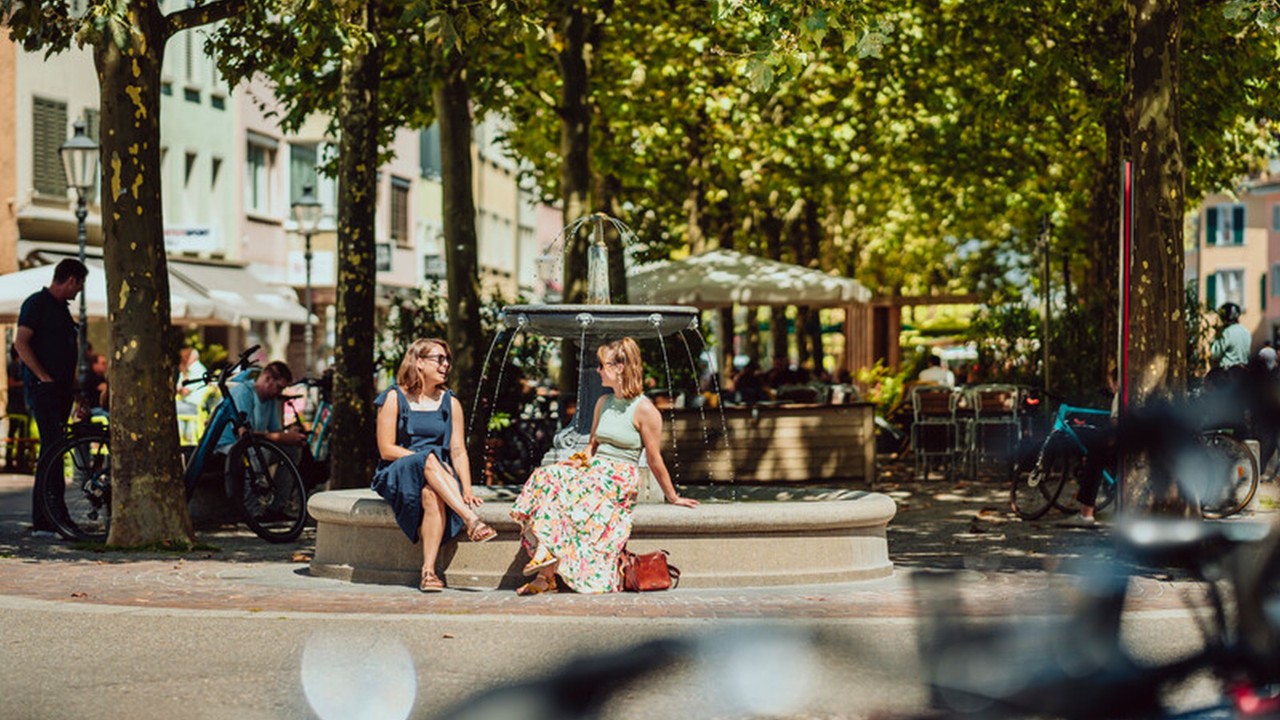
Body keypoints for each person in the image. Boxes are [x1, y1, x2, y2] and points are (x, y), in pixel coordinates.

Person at [511, 337, 700, 596]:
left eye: (602, 365)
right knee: (546, 476)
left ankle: (547, 572)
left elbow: (655, 459)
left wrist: (672, 496)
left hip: (619, 477)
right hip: (596, 470)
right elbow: (592, 446)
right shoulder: (604, 402)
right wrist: (578, 462)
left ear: (620, 367)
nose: (598, 370)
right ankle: (547, 562)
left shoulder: (646, 410)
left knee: (563, 495)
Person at [371, 338, 497, 593]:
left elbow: (459, 450)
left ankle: (428, 572)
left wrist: (468, 490)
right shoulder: (395, 397)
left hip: (438, 476)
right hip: (400, 469)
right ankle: (471, 520)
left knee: (431, 496)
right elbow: (386, 448)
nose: (446, 364)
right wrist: (426, 460)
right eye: (439, 359)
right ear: (419, 362)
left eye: (447, 359)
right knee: (427, 457)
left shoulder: (450, 402)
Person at [13, 258, 87, 531]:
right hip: (44, 391)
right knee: (55, 449)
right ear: (71, 280)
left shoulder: (61, 309)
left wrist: (78, 393)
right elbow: (20, 342)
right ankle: (57, 515)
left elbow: (68, 354)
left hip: (60, 391)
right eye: (79, 286)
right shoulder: (37, 303)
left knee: (50, 451)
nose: (78, 292)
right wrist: (42, 376)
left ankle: (44, 517)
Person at [1210, 302, 1251, 371]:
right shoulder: (1246, 331)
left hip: (1228, 373)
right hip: (1243, 372)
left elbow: (1215, 354)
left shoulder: (1226, 332)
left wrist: (1216, 336)